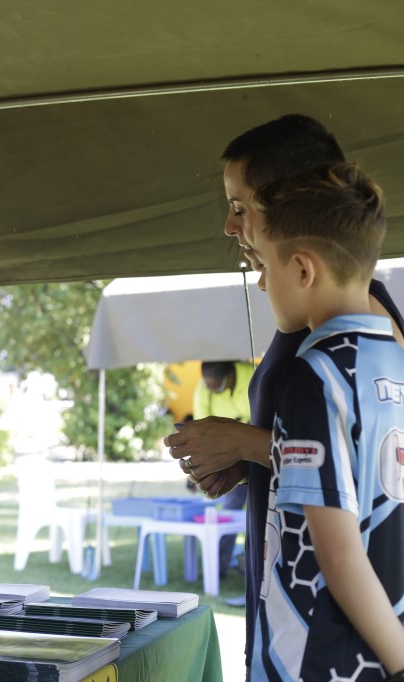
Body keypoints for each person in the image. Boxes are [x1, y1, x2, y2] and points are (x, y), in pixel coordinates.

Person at [162, 114, 404, 673]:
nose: (230, 225)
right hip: (304, 616)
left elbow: (362, 494)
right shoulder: (338, 332)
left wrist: (248, 444)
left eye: (240, 206)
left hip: (328, 642)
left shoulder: (335, 349)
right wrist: (248, 460)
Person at [247, 163, 404, 680]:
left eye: (264, 266)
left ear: (302, 270)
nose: (262, 283)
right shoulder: (396, 359)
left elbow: (337, 555)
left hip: (321, 660)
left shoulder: (315, 375)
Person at [191, 360, 252, 579]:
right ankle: (218, 568)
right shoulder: (203, 389)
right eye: (210, 388)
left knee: (259, 513)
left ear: (229, 376)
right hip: (228, 459)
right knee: (230, 510)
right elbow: (201, 430)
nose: (213, 391)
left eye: (217, 387)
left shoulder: (252, 375)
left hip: (258, 453)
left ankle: (255, 565)